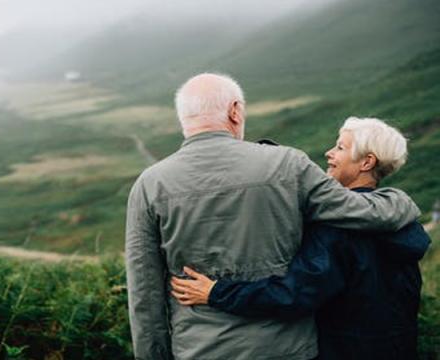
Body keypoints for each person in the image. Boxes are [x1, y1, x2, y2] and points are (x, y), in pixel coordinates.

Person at [125, 73, 421, 360]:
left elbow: (144, 296)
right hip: (289, 349)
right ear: (235, 111)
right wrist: (401, 201)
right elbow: (362, 211)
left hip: (198, 349)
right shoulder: (288, 165)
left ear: (183, 119)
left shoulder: (149, 185)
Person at [170, 117, 430, 359]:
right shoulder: (401, 223)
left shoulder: (338, 228)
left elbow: (294, 295)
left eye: (340, 148)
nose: (329, 153)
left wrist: (216, 292)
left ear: (366, 162)